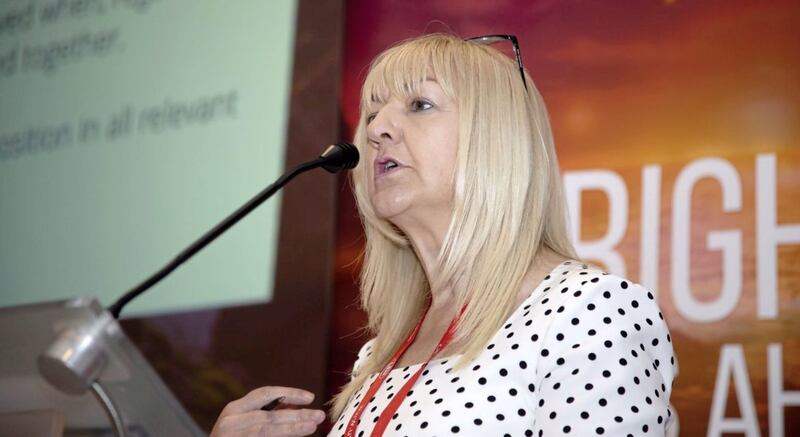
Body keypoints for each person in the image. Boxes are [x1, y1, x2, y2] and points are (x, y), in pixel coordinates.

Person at [211, 33, 677, 437]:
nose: (377, 130)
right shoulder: (379, 355)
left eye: (420, 105)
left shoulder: (590, 312)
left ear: (495, 139)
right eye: (372, 113)